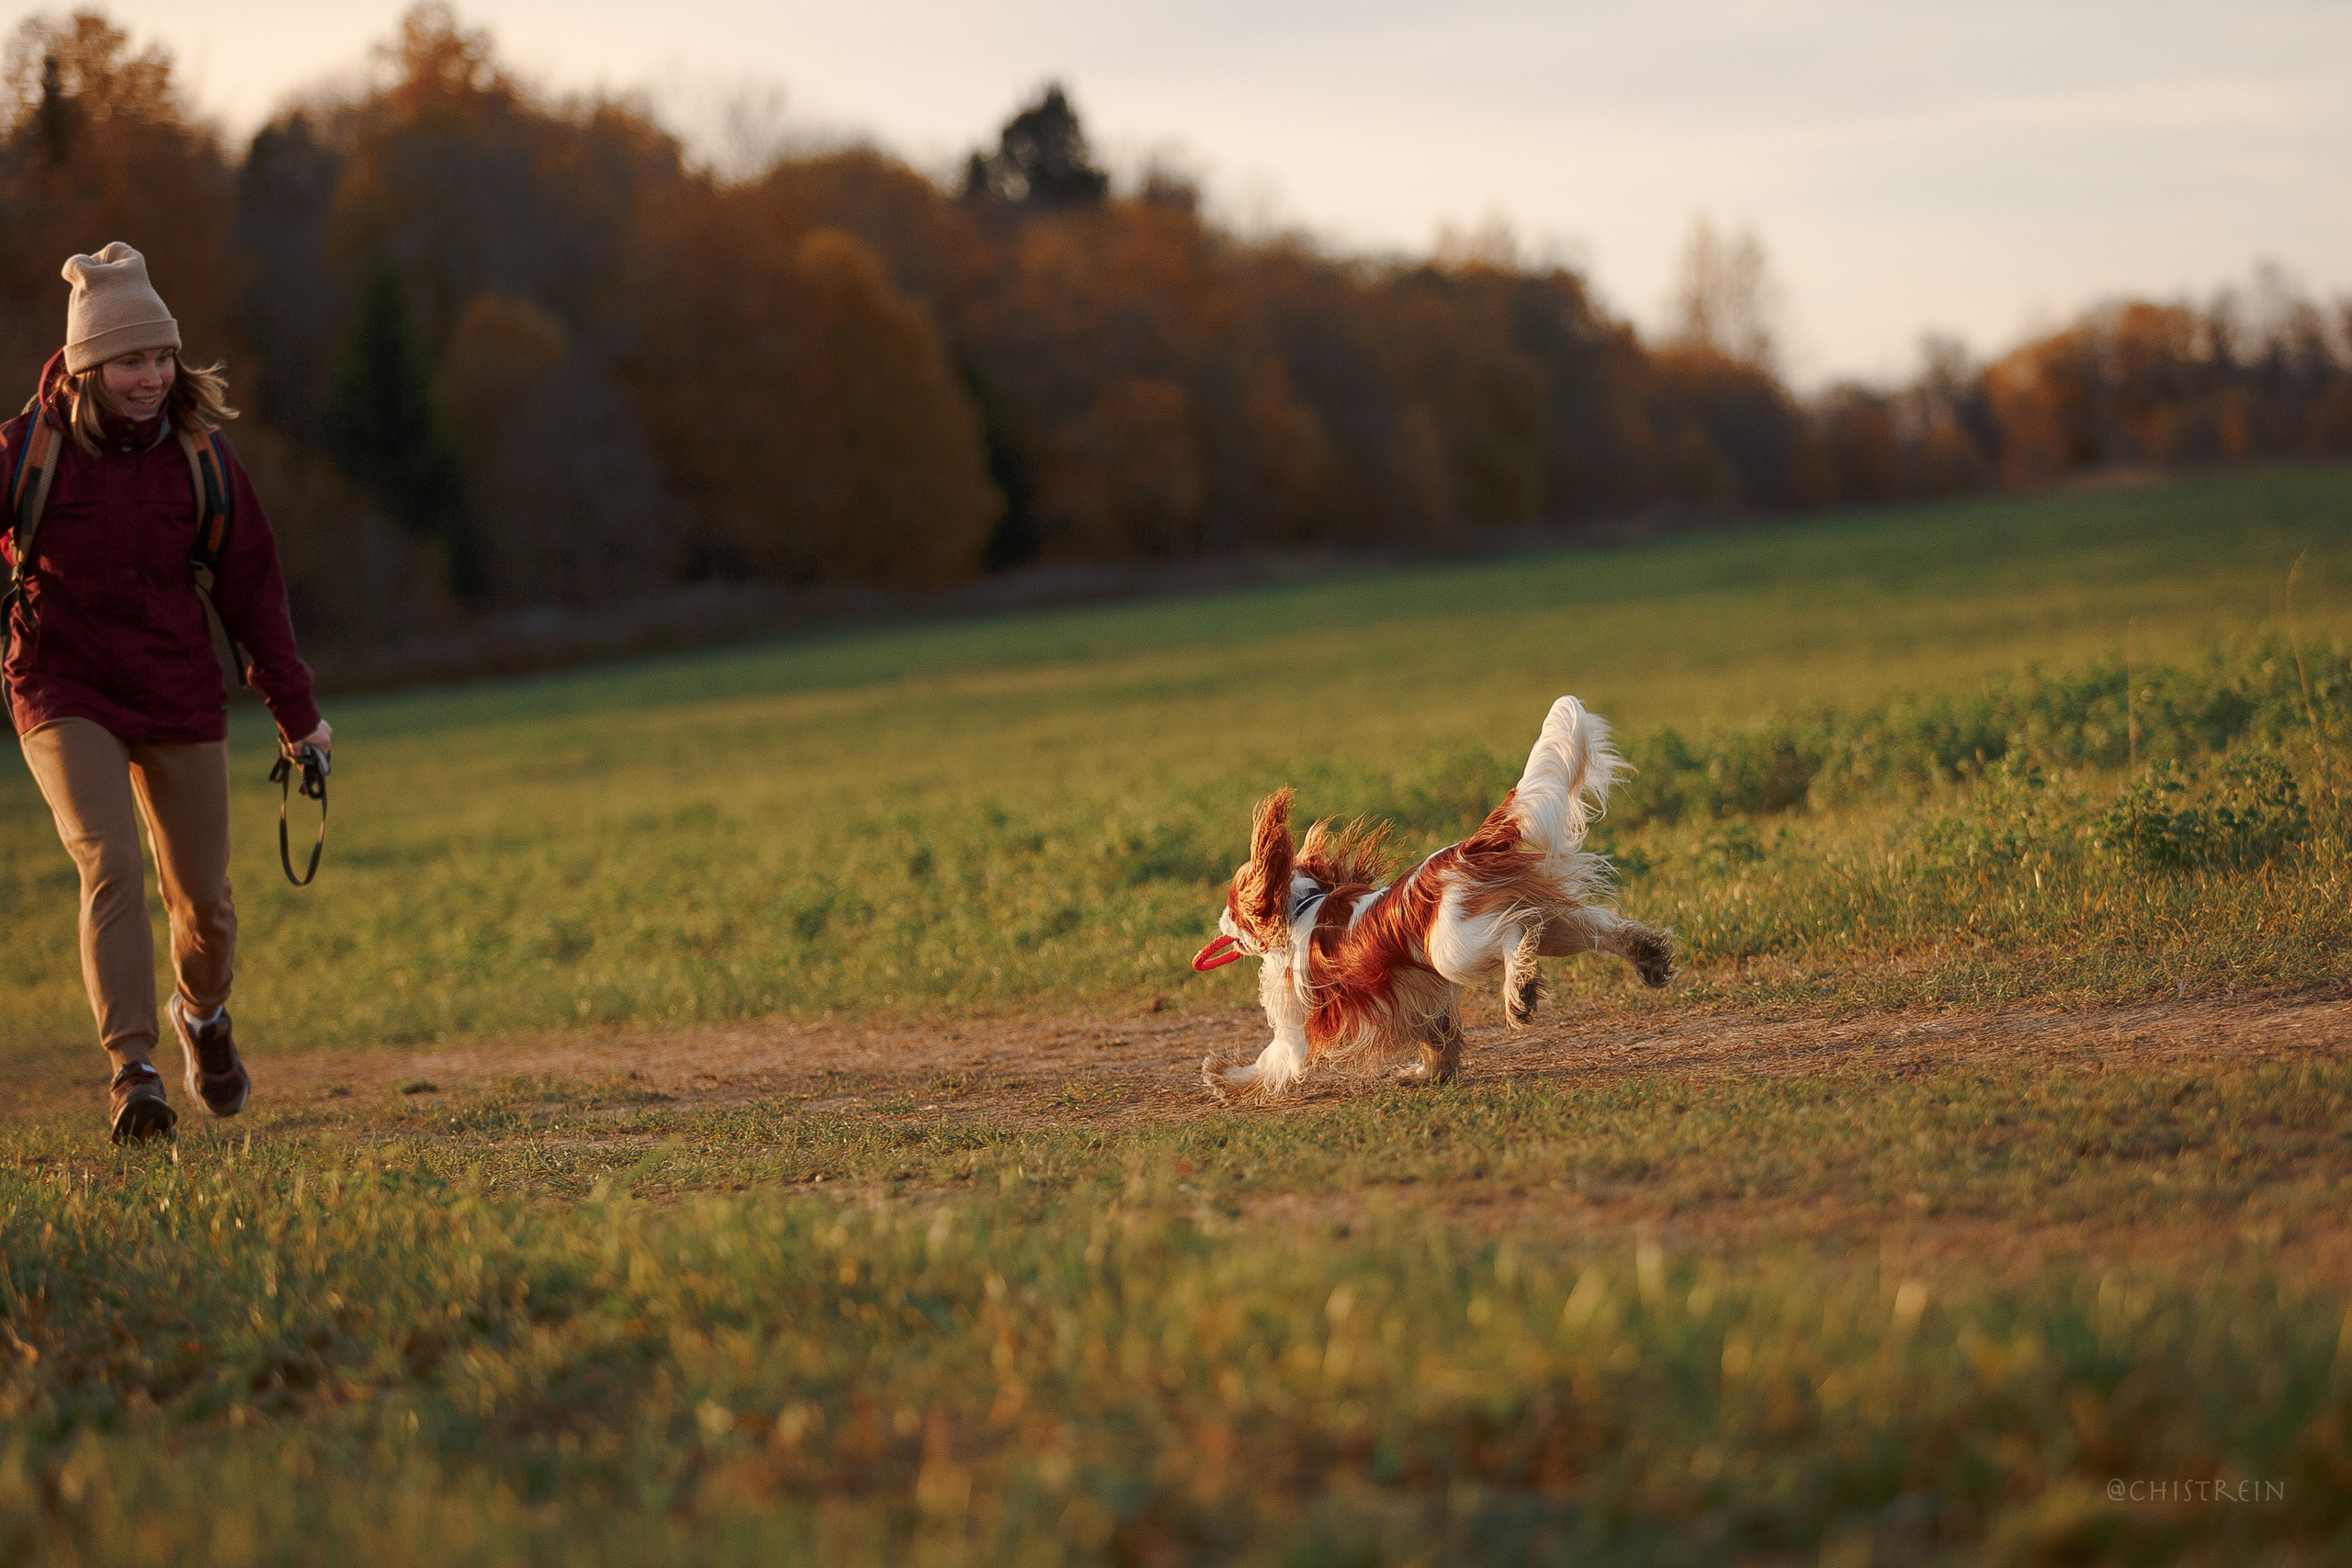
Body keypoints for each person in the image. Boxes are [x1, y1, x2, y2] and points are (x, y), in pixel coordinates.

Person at [2, 243, 331, 1143]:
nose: (150, 377)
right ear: (86, 366)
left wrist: (297, 716)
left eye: (160, 358)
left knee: (205, 903)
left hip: (176, 686)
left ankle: (204, 1016)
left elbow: (253, 593)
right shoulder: (27, 453)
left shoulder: (204, 459)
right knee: (108, 860)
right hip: (60, 682)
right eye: (129, 361)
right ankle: (134, 1071)